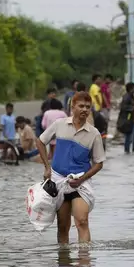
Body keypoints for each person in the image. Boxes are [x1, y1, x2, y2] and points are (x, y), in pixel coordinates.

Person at [35, 91, 106, 244]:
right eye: (81, 106)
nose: (85, 110)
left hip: (81, 184)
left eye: (88, 107)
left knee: (82, 221)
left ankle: (84, 263)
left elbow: (99, 163)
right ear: (72, 107)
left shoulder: (94, 134)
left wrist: (82, 179)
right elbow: (40, 141)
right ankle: (64, 264)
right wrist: (47, 168)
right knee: (62, 226)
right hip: (59, 181)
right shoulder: (60, 125)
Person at [117, 82, 134, 153]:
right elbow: (123, 107)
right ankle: (127, 151)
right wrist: (133, 107)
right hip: (129, 120)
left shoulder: (131, 96)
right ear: (131, 89)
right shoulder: (126, 97)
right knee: (129, 137)